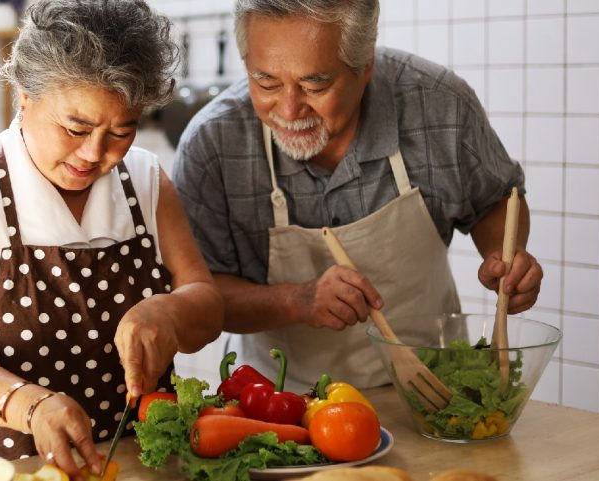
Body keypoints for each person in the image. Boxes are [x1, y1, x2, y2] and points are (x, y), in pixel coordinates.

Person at [0, 1, 223, 478]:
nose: (96, 154)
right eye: (76, 128)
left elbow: (209, 306)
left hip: (129, 463)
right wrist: (31, 406)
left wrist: (169, 311)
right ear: (25, 95)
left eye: (122, 131)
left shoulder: (145, 181)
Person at [171, 0, 543, 390]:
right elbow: (203, 297)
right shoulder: (212, 145)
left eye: (314, 84)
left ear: (365, 65)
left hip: (434, 394)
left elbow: (496, 200)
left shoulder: (438, 105)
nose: (289, 108)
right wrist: (298, 300)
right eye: (266, 83)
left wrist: (505, 257)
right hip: (281, 405)